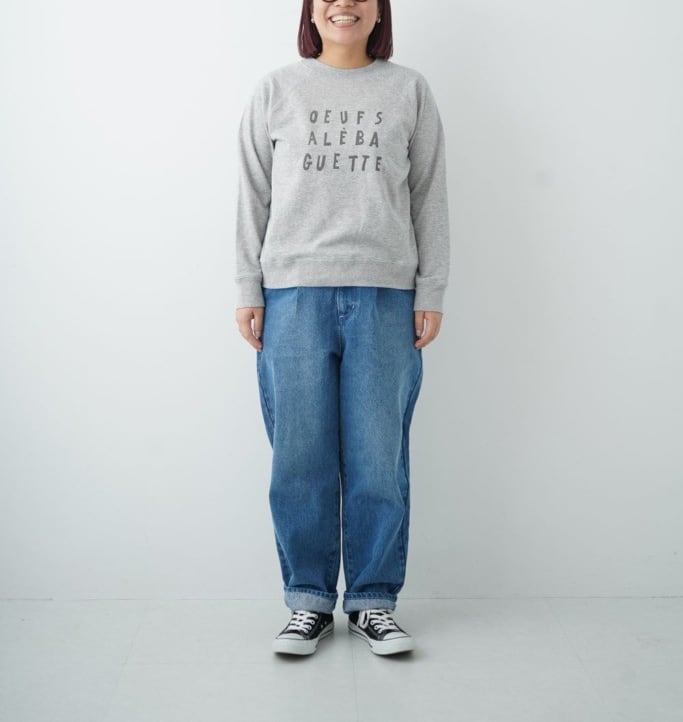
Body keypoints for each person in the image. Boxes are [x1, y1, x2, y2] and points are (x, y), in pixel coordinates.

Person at [234, 0, 450, 656]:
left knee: (377, 459)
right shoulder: (277, 89)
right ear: (311, 10)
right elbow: (252, 194)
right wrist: (247, 286)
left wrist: (430, 288)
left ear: (380, 12)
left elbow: (428, 193)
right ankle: (307, 602)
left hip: (385, 294)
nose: (344, 4)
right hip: (292, 294)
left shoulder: (409, 90)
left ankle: (372, 601)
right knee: (299, 457)